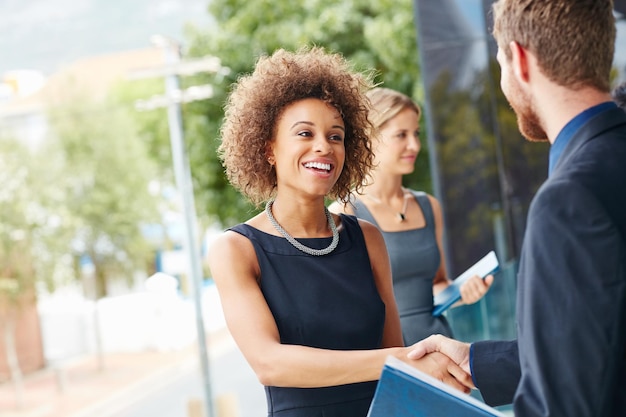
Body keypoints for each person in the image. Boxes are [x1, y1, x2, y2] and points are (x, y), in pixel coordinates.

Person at [206, 47, 472, 417]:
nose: (323, 146)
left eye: (335, 136)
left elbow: (395, 360)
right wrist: (399, 359)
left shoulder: (367, 238)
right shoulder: (237, 250)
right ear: (268, 148)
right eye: (304, 133)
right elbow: (270, 363)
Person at [409, 1, 626, 416]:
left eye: (500, 60)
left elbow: (562, 405)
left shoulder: (569, 200)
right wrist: (478, 362)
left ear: (521, 60)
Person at [329, 87, 493, 346]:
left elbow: (437, 284)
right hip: (387, 355)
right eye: (401, 135)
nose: (414, 145)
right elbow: (342, 308)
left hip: (440, 345)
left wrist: (462, 292)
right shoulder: (343, 214)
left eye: (416, 134)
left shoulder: (428, 206)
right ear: (369, 138)